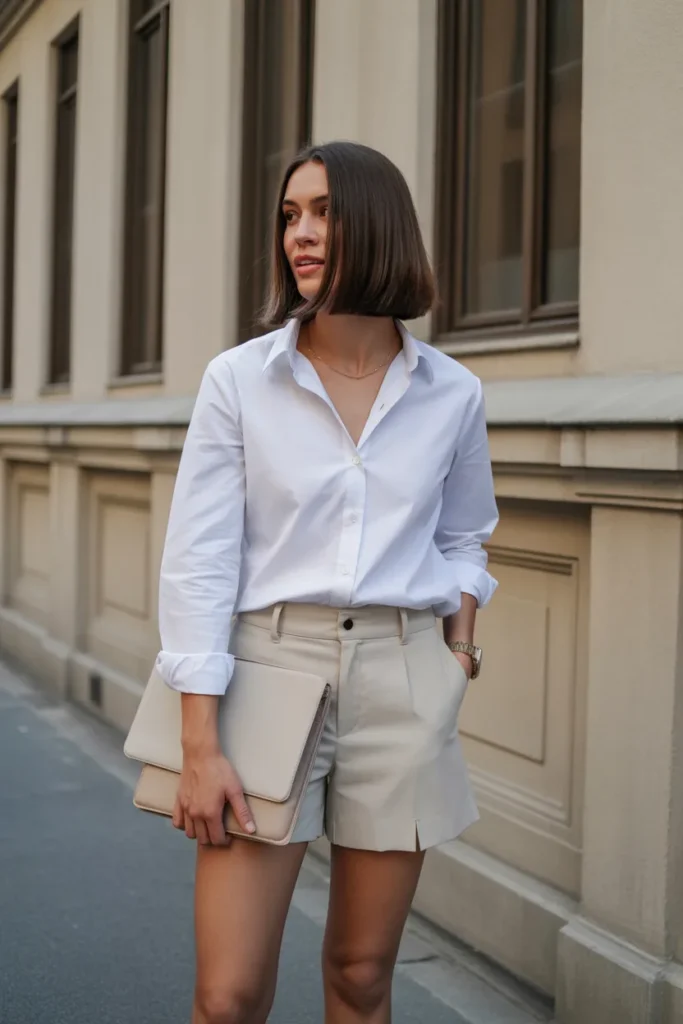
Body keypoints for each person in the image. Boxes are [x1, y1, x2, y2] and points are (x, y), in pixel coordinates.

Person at [156, 140, 499, 1024]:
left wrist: (456, 650)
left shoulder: (451, 394)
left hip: (403, 675)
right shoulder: (239, 381)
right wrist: (201, 744)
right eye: (289, 216)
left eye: (322, 213)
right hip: (267, 668)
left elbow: (464, 535)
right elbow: (201, 556)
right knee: (227, 997)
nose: (299, 236)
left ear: (379, 227)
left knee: (360, 975)